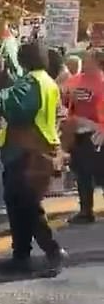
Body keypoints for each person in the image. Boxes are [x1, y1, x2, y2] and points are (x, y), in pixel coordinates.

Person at [0, 41, 66, 276]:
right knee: (19, 204)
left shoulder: (32, 81)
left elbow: (18, 103)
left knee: (27, 207)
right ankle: (21, 255)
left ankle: (53, 251)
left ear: (25, 59)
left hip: (27, 153)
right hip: (38, 150)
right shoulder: (47, 81)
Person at [62, 50, 104, 224]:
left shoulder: (101, 82)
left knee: (99, 172)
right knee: (81, 172)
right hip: (77, 133)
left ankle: (87, 210)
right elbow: (65, 98)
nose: (84, 62)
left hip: (95, 133)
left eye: (88, 60)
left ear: (98, 62)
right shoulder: (76, 80)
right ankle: (86, 210)